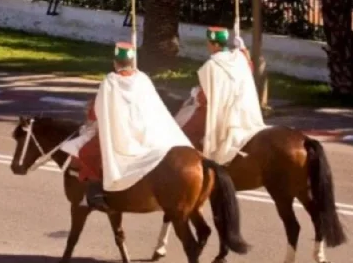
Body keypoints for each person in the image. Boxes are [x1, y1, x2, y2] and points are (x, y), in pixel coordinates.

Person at [62, 42, 192, 210]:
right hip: (143, 130)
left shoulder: (110, 81)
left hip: (120, 132)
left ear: (115, 62)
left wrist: (91, 114)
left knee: (86, 151)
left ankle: (96, 191)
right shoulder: (142, 79)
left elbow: (99, 111)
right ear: (132, 61)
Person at [175, 27, 266, 165]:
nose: (208, 46)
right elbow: (250, 67)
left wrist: (195, 95)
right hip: (242, 111)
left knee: (183, 130)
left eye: (209, 43)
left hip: (220, 112)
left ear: (215, 44)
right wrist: (243, 49)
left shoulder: (211, 65)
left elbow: (203, 99)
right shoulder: (238, 58)